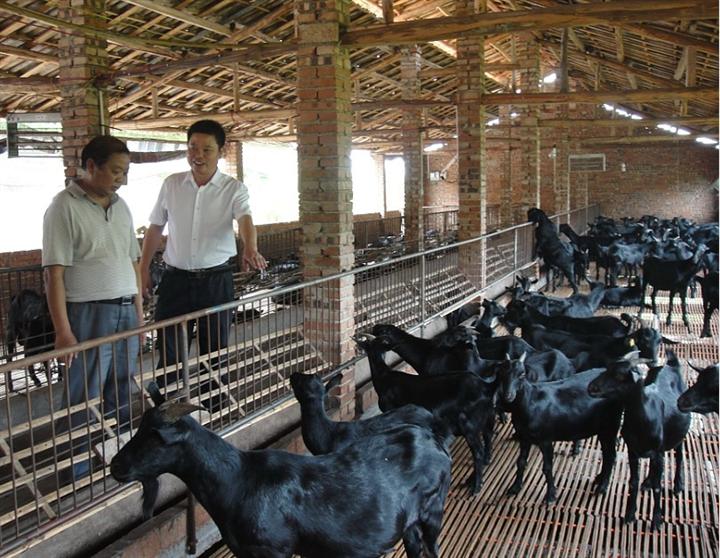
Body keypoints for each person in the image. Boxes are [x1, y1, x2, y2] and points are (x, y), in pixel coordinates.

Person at [43, 135, 142, 478]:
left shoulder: (122, 207)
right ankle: (77, 471)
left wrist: (140, 314)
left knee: (122, 385)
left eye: (125, 172)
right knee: (83, 392)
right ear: (90, 167)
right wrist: (63, 331)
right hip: (88, 312)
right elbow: (54, 274)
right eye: (115, 171)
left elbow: (133, 262)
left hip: (126, 309)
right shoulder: (63, 207)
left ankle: (119, 457)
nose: (121, 179)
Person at [140, 119, 266, 372]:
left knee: (214, 351)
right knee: (169, 350)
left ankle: (213, 408)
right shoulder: (172, 184)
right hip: (175, 280)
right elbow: (155, 227)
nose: (197, 155)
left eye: (206, 149)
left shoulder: (233, 189)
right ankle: (170, 406)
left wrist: (250, 247)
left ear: (221, 151)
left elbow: (245, 219)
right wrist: (142, 269)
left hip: (215, 281)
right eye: (192, 148)